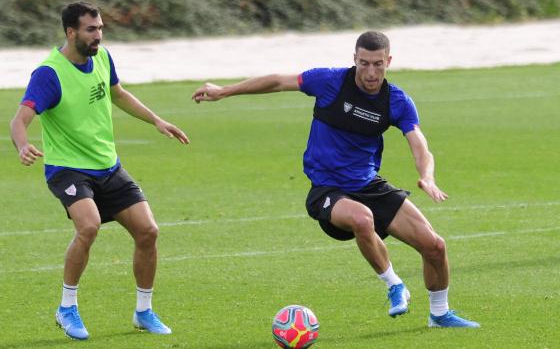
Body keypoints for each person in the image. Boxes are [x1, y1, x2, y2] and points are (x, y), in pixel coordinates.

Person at [192, 31, 479, 328]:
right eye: (364, 63)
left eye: (378, 64)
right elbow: (278, 81)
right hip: (327, 189)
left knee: (434, 246)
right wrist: (224, 91)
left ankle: (440, 314)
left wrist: (427, 177)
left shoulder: (396, 101)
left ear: (389, 61)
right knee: (362, 219)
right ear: (354, 59)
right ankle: (395, 285)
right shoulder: (329, 81)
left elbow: (418, 142)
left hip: (368, 184)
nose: (370, 72)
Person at [10, 1, 189, 340]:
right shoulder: (49, 74)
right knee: (89, 226)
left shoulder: (102, 59)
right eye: (91, 30)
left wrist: (156, 120)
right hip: (67, 169)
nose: (99, 36)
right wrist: (22, 145)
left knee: (148, 232)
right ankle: (67, 308)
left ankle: (144, 311)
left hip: (108, 166)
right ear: (71, 32)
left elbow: (118, 94)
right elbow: (20, 118)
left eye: (101, 28)